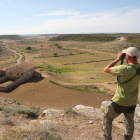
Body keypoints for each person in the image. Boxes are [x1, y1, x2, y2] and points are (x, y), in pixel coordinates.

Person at [103, 47, 140, 140]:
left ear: (126, 56)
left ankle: (107, 138)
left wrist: (118, 59)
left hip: (119, 101)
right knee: (129, 122)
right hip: (132, 102)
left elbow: (106, 69)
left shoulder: (124, 69)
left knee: (107, 117)